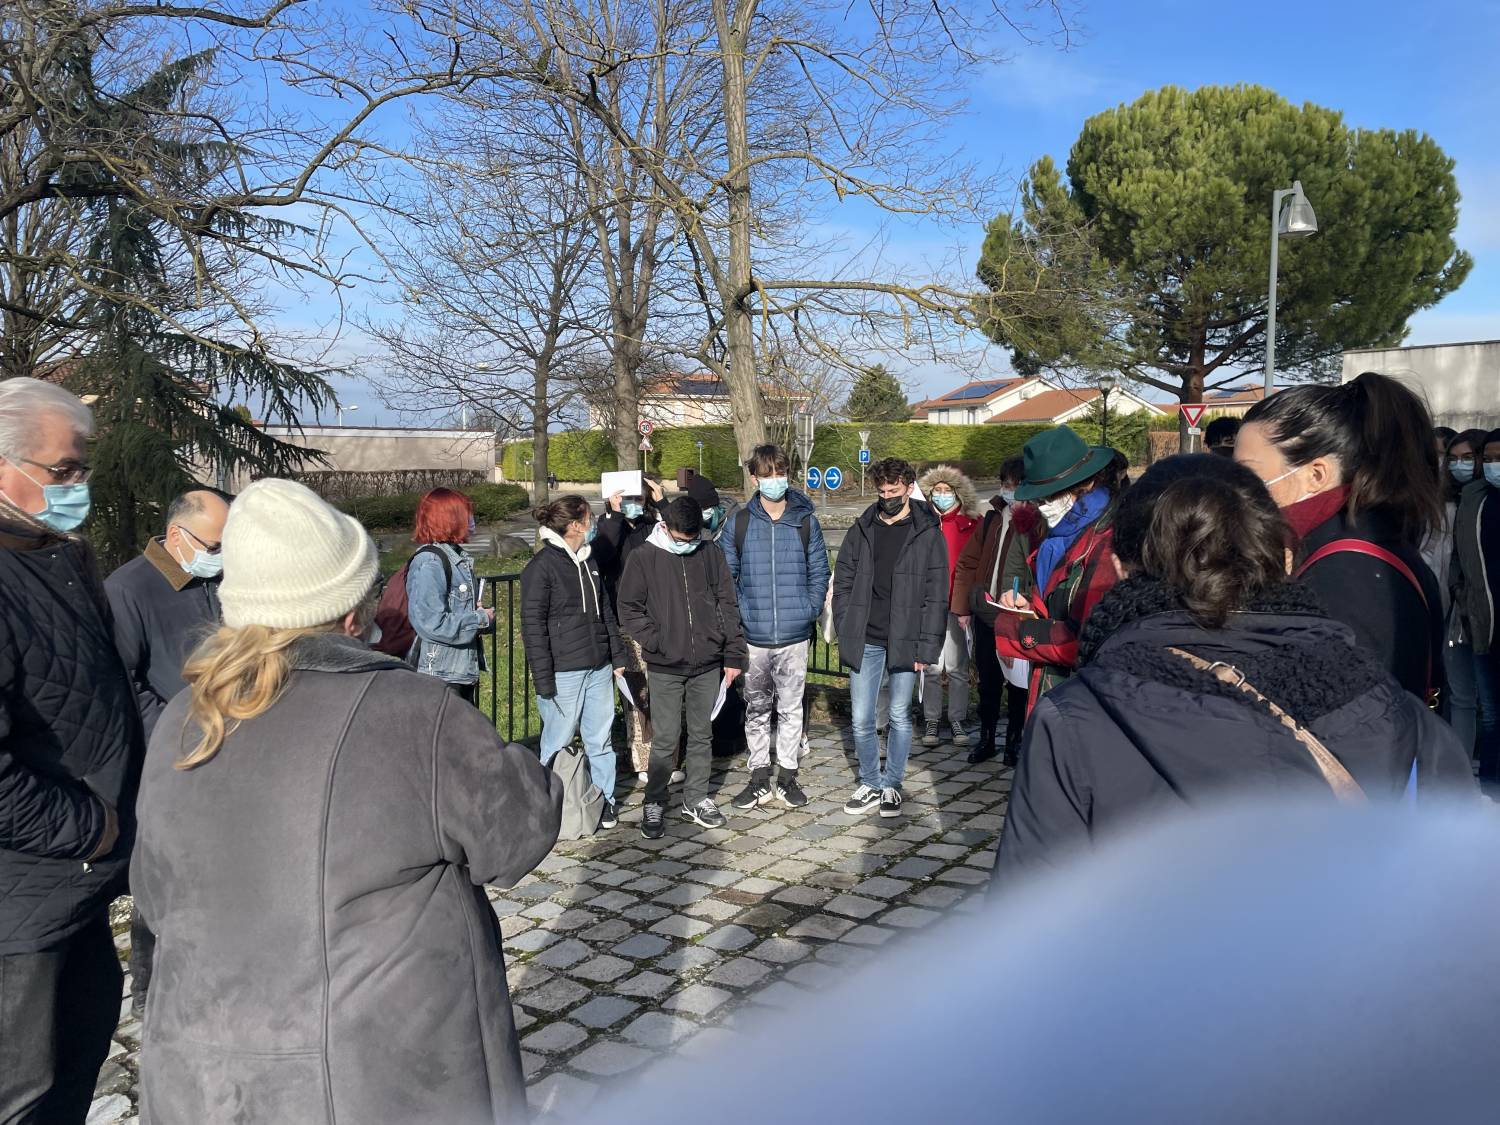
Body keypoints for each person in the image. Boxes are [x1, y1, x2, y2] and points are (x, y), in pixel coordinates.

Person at [131, 479, 562, 1125]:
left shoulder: (184, 718)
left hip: (208, 1077)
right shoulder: (415, 713)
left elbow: (153, 894)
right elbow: (518, 835)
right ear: (349, 608)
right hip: (378, 1077)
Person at [994, 455, 1474, 879]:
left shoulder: (1076, 720)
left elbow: (1027, 922)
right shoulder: (1400, 713)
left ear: (1120, 565)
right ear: (1283, 557)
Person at [0, 378, 139, 1125]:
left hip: (75, 891)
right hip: (21, 907)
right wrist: (92, 827)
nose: (79, 485)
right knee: (26, 1099)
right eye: (64, 469)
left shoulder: (54, 555)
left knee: (75, 1070)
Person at [1237, 372, 1444, 704]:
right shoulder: (1359, 541)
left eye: (1246, 473)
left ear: (1315, 475)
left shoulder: (1345, 570)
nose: (1233, 488)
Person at [104, 487, 229, 1019]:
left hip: (230, 749)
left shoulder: (216, 579)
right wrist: (178, 734)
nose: (222, 555)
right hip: (169, 759)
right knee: (163, 878)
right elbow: (123, 682)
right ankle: (153, 995)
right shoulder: (128, 589)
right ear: (178, 537)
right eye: (215, 544)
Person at [617, 496, 747, 837]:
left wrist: (733, 655)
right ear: (666, 527)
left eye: (694, 539)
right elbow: (629, 608)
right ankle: (655, 800)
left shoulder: (710, 553)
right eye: (681, 539)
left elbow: (727, 603)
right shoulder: (643, 557)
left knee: (702, 733)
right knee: (666, 738)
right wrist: (656, 640)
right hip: (665, 665)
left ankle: (696, 798)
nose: (689, 545)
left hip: (707, 661)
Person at [832, 457, 948, 818]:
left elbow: (936, 595)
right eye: (881, 490)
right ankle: (869, 781)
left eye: (893, 490)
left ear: (908, 486)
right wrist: (844, 621)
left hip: (906, 639)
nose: (886, 496)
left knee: (899, 714)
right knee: (862, 717)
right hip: (865, 636)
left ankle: (892, 785)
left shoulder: (928, 531)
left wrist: (926, 647)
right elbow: (844, 580)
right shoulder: (863, 526)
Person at [981, 425, 1124, 710]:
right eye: (1037, 498)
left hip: (1083, 705)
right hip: (1053, 693)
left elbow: (1090, 640)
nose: (1042, 506)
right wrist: (1026, 607)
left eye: (1048, 496)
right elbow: (1057, 605)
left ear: (1083, 486)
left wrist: (1017, 629)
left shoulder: (1106, 543)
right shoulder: (1061, 533)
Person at [721, 444, 831, 810]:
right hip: (753, 636)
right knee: (755, 709)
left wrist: (809, 608)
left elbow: (819, 570)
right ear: (754, 478)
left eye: (779, 473)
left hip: (794, 635)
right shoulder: (738, 522)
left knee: (791, 708)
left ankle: (786, 775)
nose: (774, 481)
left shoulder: (804, 520)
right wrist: (739, 618)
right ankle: (757, 777)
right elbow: (726, 579)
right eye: (766, 474)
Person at [521, 496, 627, 829]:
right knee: (556, 741)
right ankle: (546, 807)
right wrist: (543, 679)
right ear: (576, 525)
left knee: (601, 738)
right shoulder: (541, 568)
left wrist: (617, 656)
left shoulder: (590, 561)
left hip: (598, 666)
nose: (594, 522)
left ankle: (605, 799)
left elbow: (605, 611)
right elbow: (532, 627)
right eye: (590, 517)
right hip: (563, 672)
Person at [952, 456, 1041, 765]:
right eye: (1006, 485)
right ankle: (987, 739)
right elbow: (967, 562)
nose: (1010, 492)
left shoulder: (1036, 523)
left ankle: (1014, 742)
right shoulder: (992, 518)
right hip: (986, 611)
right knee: (988, 682)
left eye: (1016, 486)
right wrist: (964, 605)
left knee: (1018, 684)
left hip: (1018, 615)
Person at [595, 474, 673, 782]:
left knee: (663, 692)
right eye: (628, 499)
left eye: (639, 498)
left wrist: (662, 500)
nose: (634, 505)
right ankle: (642, 760)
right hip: (625, 622)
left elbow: (680, 537)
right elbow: (601, 556)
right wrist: (614, 516)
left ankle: (667, 757)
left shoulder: (652, 527)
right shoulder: (607, 526)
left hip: (657, 619)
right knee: (636, 696)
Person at [406, 487, 495, 703]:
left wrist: (474, 611)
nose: (472, 521)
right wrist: (480, 619)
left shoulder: (455, 557)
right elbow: (432, 622)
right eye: (467, 515)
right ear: (450, 518)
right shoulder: (431, 562)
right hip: (440, 673)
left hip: (458, 670)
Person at [1433, 429, 1488, 765]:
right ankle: (1462, 767)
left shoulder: (1482, 504)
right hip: (1455, 611)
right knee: (1460, 696)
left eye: (1467, 458)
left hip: (1482, 610)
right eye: (1452, 459)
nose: (1455, 465)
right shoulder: (1438, 502)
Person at [916, 464, 980, 748]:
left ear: (958, 493)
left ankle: (956, 717)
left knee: (956, 667)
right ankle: (931, 718)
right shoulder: (921, 524)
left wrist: (966, 605)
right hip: (928, 603)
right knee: (930, 665)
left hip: (957, 605)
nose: (942, 495)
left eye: (947, 490)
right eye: (937, 491)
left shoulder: (971, 526)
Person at [1452, 427, 1500, 778]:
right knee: (1491, 713)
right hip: (1484, 622)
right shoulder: (1475, 499)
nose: (1494, 465)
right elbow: (1462, 563)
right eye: (1491, 459)